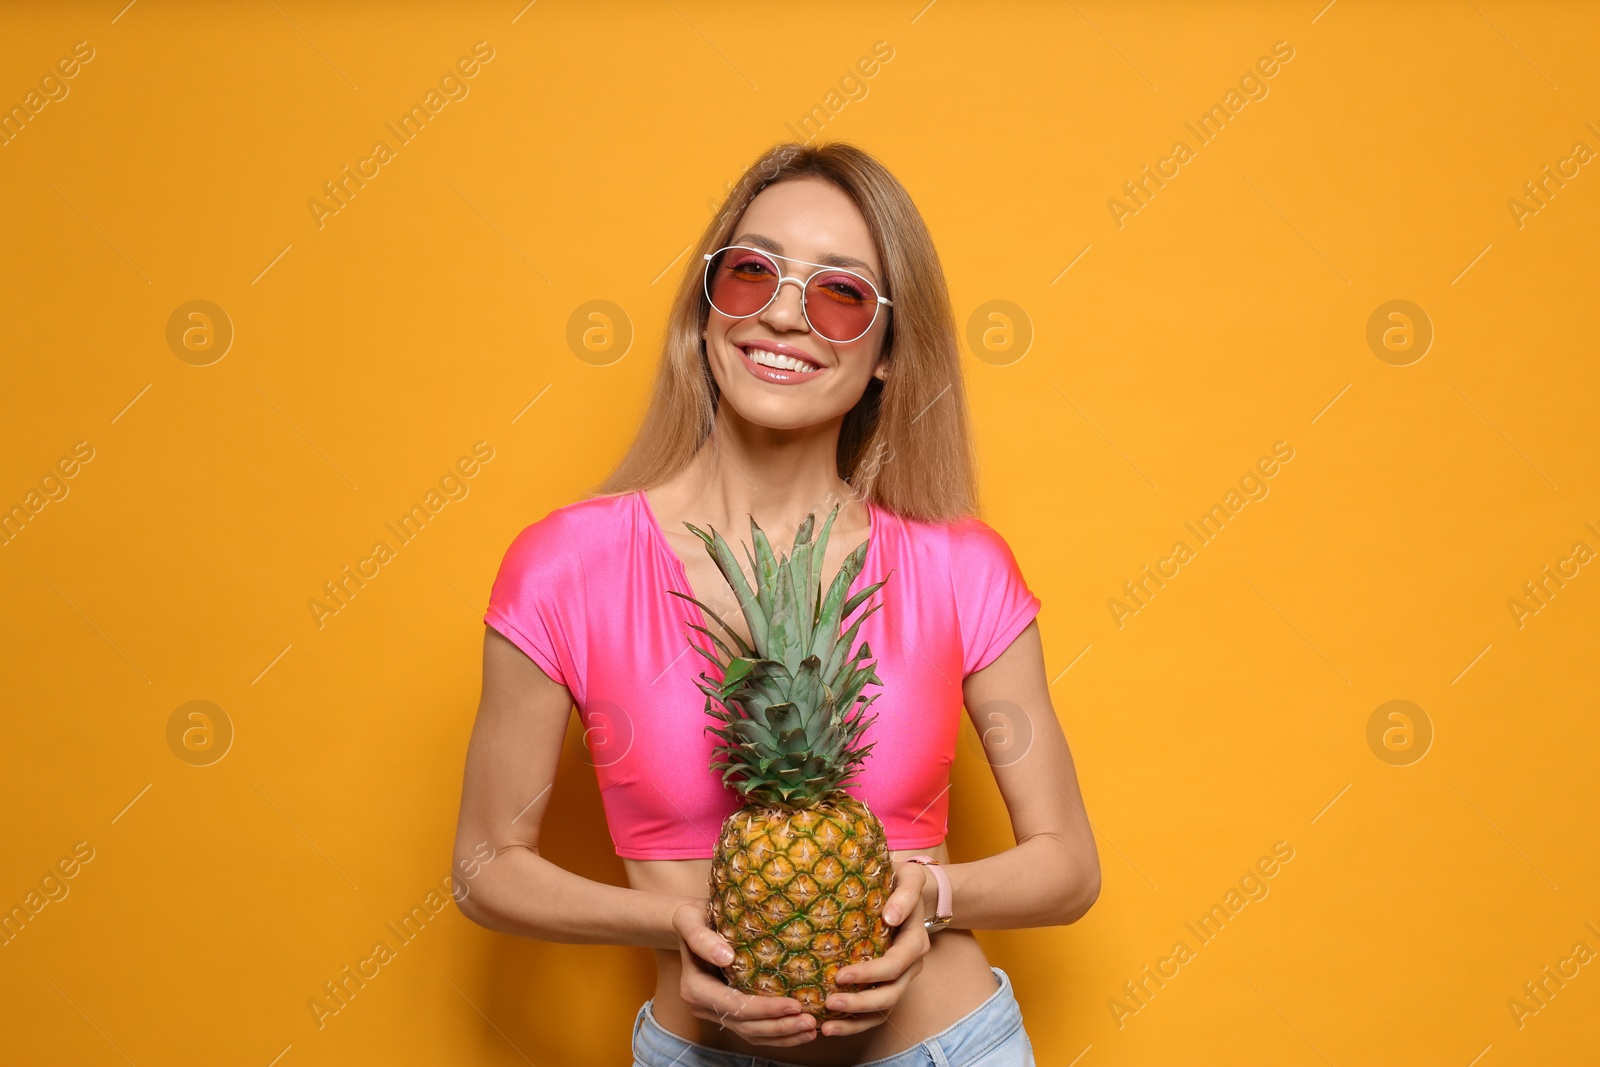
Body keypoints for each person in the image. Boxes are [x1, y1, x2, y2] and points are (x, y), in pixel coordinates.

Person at [453, 141, 1100, 1067]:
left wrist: (932, 894)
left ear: (887, 352)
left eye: (841, 294)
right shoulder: (567, 564)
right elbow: (484, 866)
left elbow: (1069, 862)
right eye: (752, 273)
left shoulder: (959, 565)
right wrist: (677, 924)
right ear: (706, 309)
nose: (786, 317)